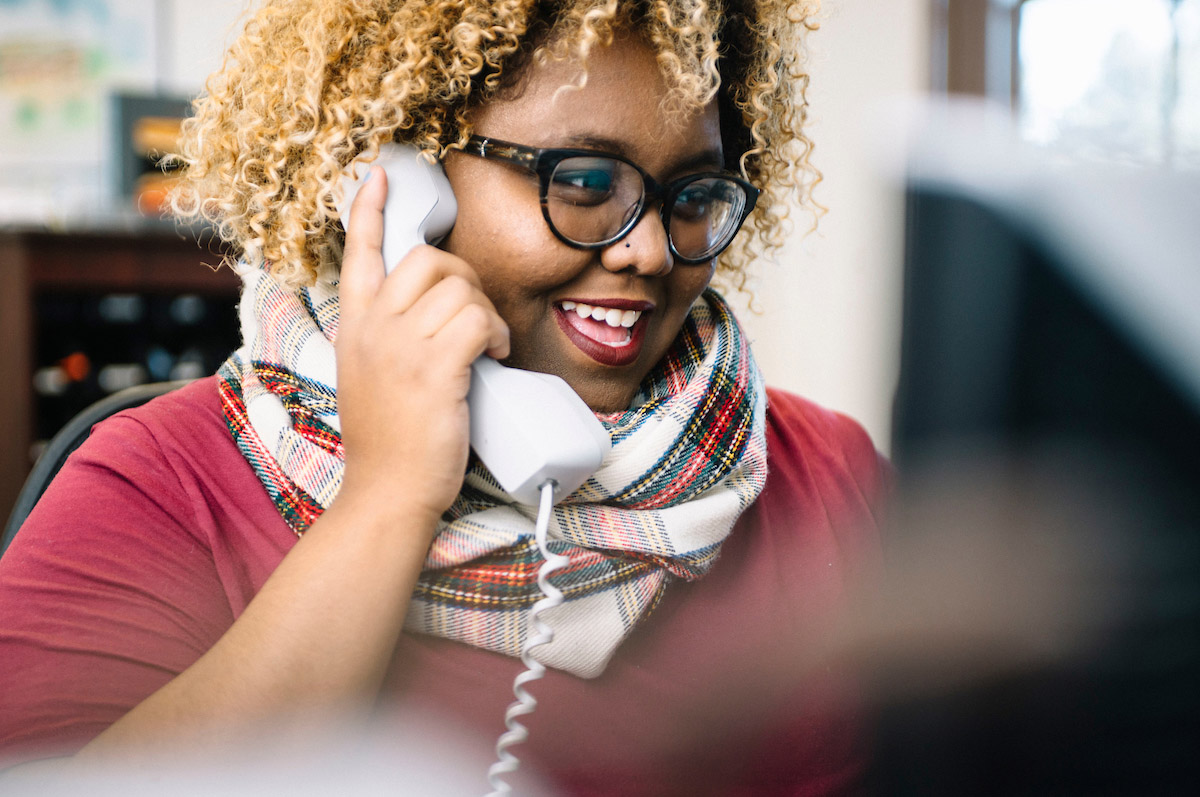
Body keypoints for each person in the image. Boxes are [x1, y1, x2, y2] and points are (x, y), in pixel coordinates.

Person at [0, 0, 888, 792]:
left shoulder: (831, 477)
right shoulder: (159, 485)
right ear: (394, 183)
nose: (650, 250)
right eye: (582, 183)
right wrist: (386, 500)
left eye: (691, 195)